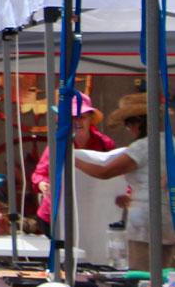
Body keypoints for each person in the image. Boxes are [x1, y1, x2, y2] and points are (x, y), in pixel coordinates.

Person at [75, 93, 175, 271]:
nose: (129, 129)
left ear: (138, 123)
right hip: (170, 218)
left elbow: (105, 172)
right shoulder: (171, 143)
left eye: (129, 124)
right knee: (166, 276)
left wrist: (74, 160)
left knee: (143, 275)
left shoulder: (143, 147)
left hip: (146, 222)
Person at [31, 94, 111, 233]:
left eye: (81, 117)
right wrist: (42, 184)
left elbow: (116, 173)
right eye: (72, 117)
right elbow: (39, 174)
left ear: (90, 118)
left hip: (92, 214)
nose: (77, 122)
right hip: (54, 214)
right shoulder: (57, 144)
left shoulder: (104, 143)